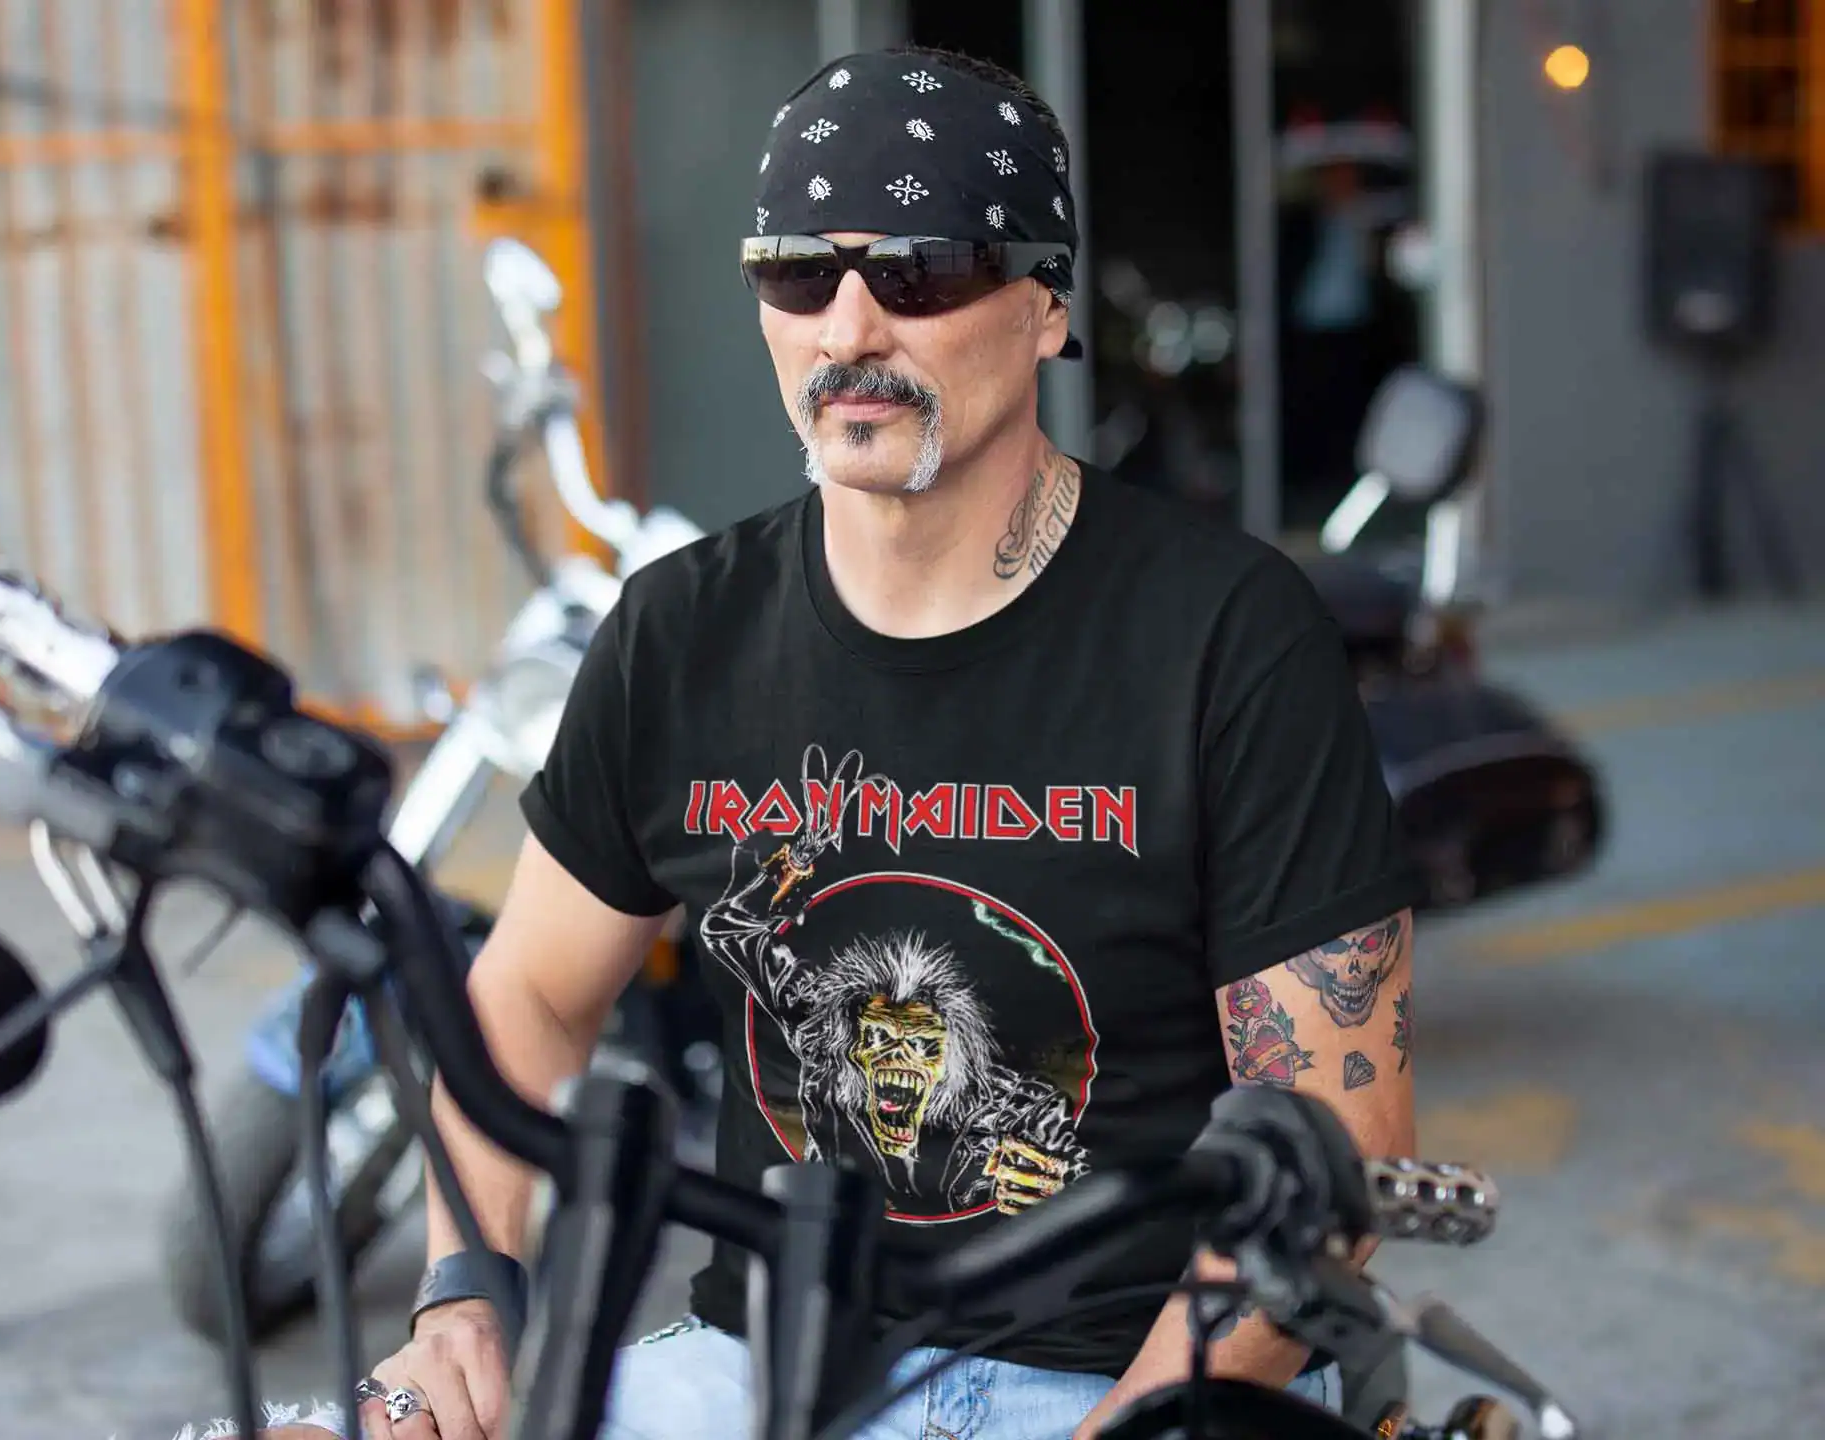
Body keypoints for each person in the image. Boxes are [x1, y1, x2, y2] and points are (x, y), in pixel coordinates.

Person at [252, 43, 1418, 1440]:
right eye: (799, 271)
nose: (848, 327)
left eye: (919, 269)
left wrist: (1140, 1425)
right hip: (767, 1368)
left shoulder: (1228, 635)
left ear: (1045, 307)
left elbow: (1334, 1140)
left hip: (1138, 1376)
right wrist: (461, 1293)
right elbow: (529, 1002)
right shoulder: (683, 633)